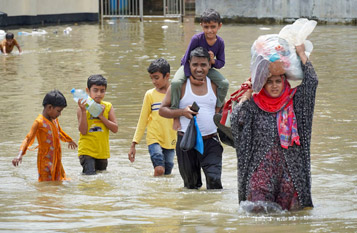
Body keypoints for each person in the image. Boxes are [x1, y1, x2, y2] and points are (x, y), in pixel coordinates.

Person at [231, 44, 318, 211]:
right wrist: (246, 94)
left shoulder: (295, 102)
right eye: (269, 82)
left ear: (284, 81)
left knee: (290, 216)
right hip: (260, 170)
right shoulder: (254, 105)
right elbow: (237, 121)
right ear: (262, 85)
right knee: (257, 212)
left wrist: (300, 53)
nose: (274, 86)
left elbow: (312, 82)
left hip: (290, 170)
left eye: (278, 81)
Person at [160, 47, 224, 189]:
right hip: (186, 143)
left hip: (211, 141)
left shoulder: (215, 85)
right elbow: (162, 110)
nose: (199, 69)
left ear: (209, 65)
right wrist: (182, 112)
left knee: (215, 182)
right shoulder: (179, 86)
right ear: (189, 64)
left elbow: (223, 109)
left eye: (203, 65)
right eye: (195, 65)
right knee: (191, 187)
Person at [170, 8, 229, 130]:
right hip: (189, 66)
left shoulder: (220, 42)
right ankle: (175, 115)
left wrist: (212, 61)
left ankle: (217, 110)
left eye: (213, 27)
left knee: (224, 83)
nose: (210, 30)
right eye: (206, 27)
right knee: (176, 83)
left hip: (207, 68)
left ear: (219, 26)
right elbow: (186, 59)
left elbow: (221, 63)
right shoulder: (196, 39)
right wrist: (190, 76)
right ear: (201, 25)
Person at [12, 90, 77, 182]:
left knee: (59, 182)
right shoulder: (39, 122)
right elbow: (28, 138)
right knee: (46, 185)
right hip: (45, 162)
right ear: (50, 107)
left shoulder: (54, 120)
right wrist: (19, 155)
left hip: (57, 160)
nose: (60, 114)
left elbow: (59, 132)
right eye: (58, 111)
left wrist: (69, 140)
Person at [128, 58, 177, 176]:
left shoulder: (176, 94)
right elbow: (143, 119)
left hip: (171, 140)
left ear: (167, 76)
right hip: (154, 138)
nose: (154, 81)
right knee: (159, 169)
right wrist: (134, 143)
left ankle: (159, 193)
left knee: (167, 174)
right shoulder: (150, 95)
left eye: (156, 77)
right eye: (152, 78)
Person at [77, 75, 118, 175]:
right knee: (90, 177)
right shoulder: (82, 108)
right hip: (86, 151)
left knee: (101, 180)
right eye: (95, 90)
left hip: (102, 152)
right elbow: (83, 131)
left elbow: (115, 129)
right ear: (88, 90)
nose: (99, 94)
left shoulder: (108, 107)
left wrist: (102, 116)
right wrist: (83, 111)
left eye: (102, 91)